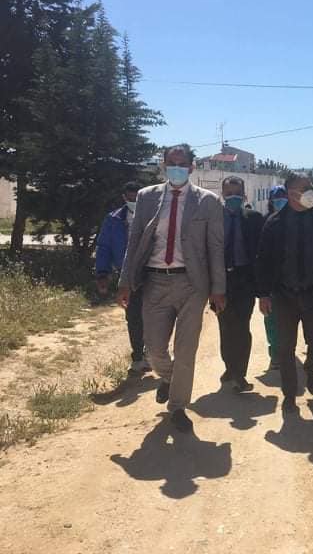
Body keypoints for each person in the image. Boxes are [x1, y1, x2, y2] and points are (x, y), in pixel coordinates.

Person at [117, 144, 226, 433]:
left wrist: (218, 288)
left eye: (182, 163)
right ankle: (167, 377)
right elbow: (134, 240)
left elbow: (216, 247)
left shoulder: (208, 201)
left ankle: (178, 406)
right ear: (164, 166)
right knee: (154, 349)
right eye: (171, 163)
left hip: (192, 284)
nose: (176, 168)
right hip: (155, 282)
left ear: (191, 167)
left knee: (186, 350)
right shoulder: (147, 196)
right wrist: (125, 282)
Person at [257, 173, 313, 413]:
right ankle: (289, 394)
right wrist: (263, 294)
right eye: (304, 189)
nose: (310, 192)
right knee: (285, 348)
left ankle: (311, 370)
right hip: (284, 296)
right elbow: (263, 261)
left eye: (310, 187)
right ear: (291, 193)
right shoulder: (274, 223)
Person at [95, 181, 150, 378]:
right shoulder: (114, 219)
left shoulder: (153, 216)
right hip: (128, 275)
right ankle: (138, 356)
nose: (134, 200)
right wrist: (102, 273)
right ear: (124, 198)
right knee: (134, 317)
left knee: (155, 316)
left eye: (137, 197)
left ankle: (153, 352)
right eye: (130, 197)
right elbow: (104, 247)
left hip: (153, 273)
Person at [216, 176, 264, 393]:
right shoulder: (214, 218)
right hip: (221, 281)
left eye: (237, 194)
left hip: (245, 279)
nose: (232, 197)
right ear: (222, 194)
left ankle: (240, 374)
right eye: (229, 194)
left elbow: (262, 251)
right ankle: (230, 367)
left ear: (244, 195)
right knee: (225, 326)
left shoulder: (254, 219)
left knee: (242, 327)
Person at [262, 185, 288, 371]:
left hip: (292, 280)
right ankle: (275, 354)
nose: (280, 201)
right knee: (271, 319)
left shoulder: (296, 220)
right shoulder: (264, 221)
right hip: (271, 280)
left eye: (283, 197)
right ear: (271, 201)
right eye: (277, 198)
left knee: (289, 319)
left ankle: (286, 351)